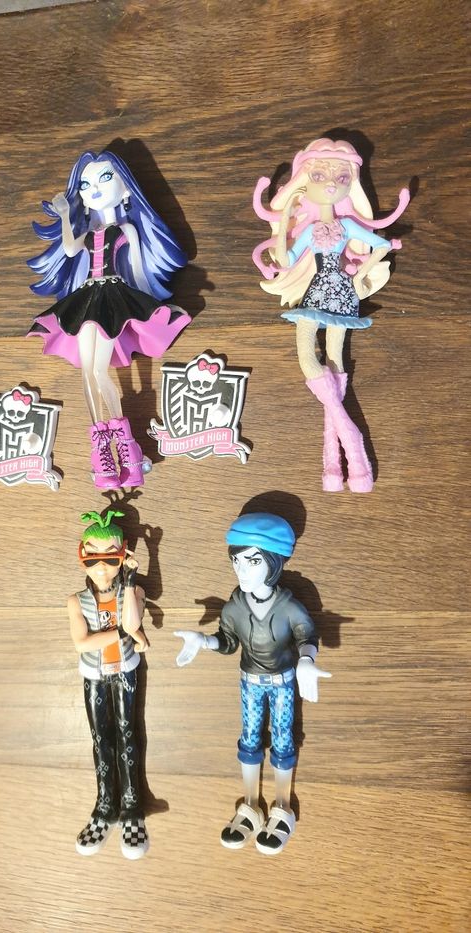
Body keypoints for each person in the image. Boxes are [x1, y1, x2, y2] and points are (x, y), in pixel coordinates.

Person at [253, 138, 409, 492]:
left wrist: (359, 274)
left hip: (340, 292)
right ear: (305, 181)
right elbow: (286, 259)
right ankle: (350, 446)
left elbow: (381, 245)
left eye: (341, 178)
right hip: (318, 290)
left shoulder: (346, 227)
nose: (330, 184)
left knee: (332, 360)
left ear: (350, 184)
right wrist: (286, 215)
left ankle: (336, 467)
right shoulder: (310, 230)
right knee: (310, 358)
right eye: (319, 176)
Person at [28, 150, 191, 489]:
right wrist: (64, 214)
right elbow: (70, 250)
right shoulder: (88, 235)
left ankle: (128, 449)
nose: (95, 189)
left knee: (100, 371)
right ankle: (102, 452)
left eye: (105, 179)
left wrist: (150, 306)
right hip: (87, 297)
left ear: (126, 189)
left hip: (112, 297)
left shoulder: (126, 228)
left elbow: (138, 271)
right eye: (86, 185)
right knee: (87, 372)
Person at [174, 513, 331, 855]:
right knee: (249, 737)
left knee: (283, 737)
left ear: (274, 562)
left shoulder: (288, 606)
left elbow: (307, 635)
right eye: (237, 561)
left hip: (283, 682)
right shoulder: (234, 607)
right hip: (249, 681)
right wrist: (204, 641)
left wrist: (306, 660)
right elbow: (228, 641)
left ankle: (283, 808)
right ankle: (250, 805)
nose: (241, 569)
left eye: (253, 561)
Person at [68, 509, 150, 858]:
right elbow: (82, 643)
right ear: (82, 557)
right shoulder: (77, 601)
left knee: (128, 734)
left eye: (111, 559)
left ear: (124, 555)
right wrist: (121, 634)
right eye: (93, 559)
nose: (101, 568)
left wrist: (130, 582)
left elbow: (132, 623)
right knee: (101, 739)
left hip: (125, 670)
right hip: (94, 675)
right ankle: (105, 805)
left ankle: (131, 806)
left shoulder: (133, 592)